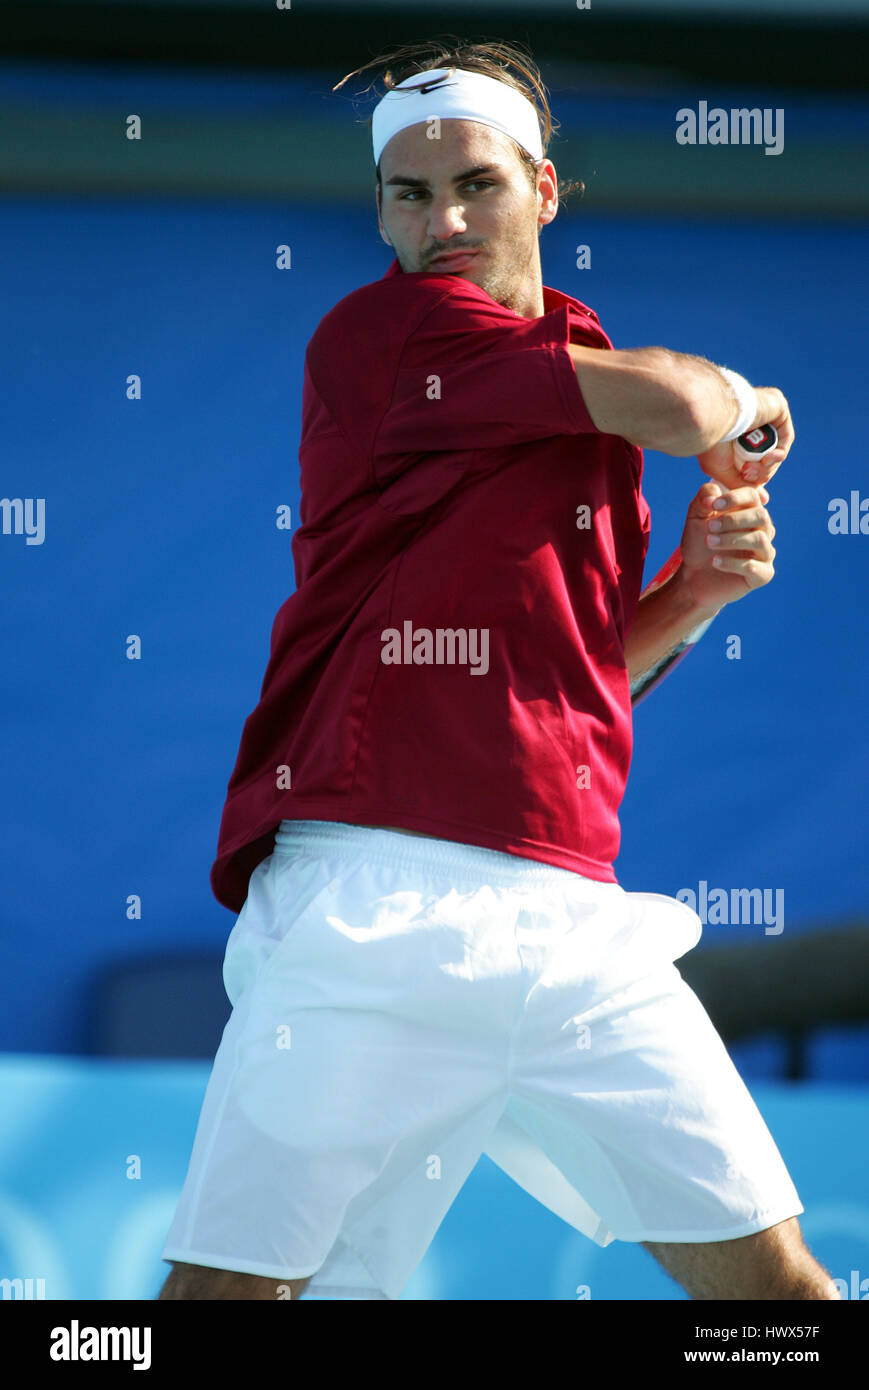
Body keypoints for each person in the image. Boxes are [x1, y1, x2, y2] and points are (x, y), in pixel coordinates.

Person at [158, 40, 837, 1301]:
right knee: (222, 1303)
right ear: (379, 214)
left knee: (783, 1295)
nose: (445, 220)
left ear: (545, 187)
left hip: (573, 920)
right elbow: (693, 411)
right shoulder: (383, 335)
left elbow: (573, 678)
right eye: (409, 197)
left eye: (475, 183)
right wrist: (750, 396)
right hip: (371, 904)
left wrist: (691, 593)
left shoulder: (576, 366)